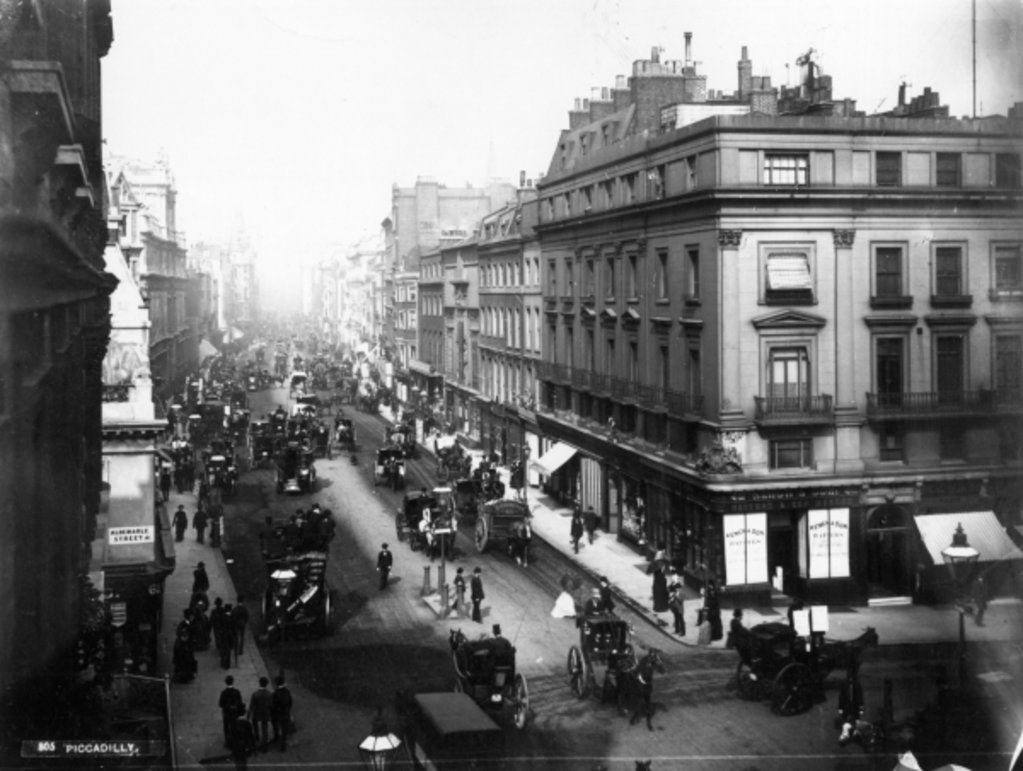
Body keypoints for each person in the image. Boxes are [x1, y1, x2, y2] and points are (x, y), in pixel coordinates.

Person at [837, 663, 865, 746]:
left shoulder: (857, 685)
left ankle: (855, 734)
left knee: (856, 721)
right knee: (845, 722)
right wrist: (840, 708)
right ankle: (845, 735)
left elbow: (860, 697)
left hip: (855, 706)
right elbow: (841, 696)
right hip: (846, 706)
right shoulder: (844, 684)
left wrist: (861, 708)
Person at [248, 676, 272, 751]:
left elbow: (251, 706)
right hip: (265, 713)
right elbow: (271, 705)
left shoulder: (255, 694)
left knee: (254, 723)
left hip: (257, 712)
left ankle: (256, 736)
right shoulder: (269, 694)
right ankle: (264, 745)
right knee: (264, 728)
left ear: (259, 683)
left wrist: (248, 715)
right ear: (266, 684)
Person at [218, 676, 245, 746]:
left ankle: (227, 742)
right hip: (234, 713)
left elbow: (220, 704)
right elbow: (240, 702)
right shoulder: (236, 692)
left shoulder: (223, 693)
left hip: (227, 713)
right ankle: (235, 741)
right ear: (233, 682)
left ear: (226, 683)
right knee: (234, 727)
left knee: (226, 727)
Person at [270, 676, 293, 751]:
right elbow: (290, 702)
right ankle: (283, 745)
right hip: (285, 713)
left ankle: (276, 737)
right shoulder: (287, 692)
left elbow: (272, 705)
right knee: (284, 730)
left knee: (275, 725)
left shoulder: (275, 693)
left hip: (277, 713)